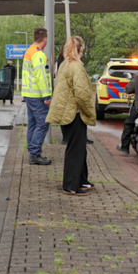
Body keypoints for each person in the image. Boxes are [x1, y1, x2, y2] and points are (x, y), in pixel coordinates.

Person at [46, 36, 96, 196]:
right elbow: (82, 94)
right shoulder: (77, 67)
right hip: (74, 114)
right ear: (81, 49)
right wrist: (89, 111)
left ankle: (81, 181)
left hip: (66, 113)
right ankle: (71, 186)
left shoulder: (64, 65)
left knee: (78, 148)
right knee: (75, 150)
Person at [22, 28, 52, 165]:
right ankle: (35, 154)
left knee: (33, 124)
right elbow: (41, 76)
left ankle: (32, 150)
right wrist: (47, 95)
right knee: (43, 123)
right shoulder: (38, 55)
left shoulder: (30, 51)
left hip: (29, 94)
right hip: (37, 95)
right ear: (44, 39)